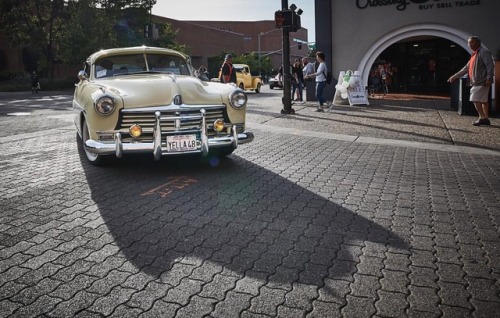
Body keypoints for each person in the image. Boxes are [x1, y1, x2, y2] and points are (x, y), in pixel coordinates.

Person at [448, 36, 494, 126]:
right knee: (483, 100)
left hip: (481, 81)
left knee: (475, 99)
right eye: (468, 43)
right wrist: (454, 76)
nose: (469, 44)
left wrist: (489, 78)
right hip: (478, 81)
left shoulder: (484, 52)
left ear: (478, 43)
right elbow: (466, 68)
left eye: (471, 42)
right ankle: (486, 118)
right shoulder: (474, 54)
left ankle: (482, 118)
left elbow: (490, 66)